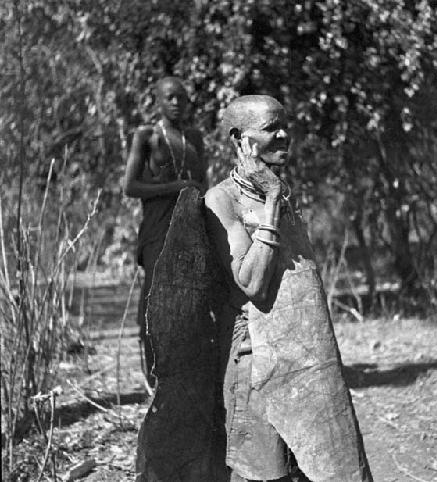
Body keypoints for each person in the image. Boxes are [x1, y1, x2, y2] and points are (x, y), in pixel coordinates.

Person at [205, 95, 372, 482]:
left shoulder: (279, 189)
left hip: (304, 360)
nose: (283, 136)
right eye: (269, 129)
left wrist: (276, 195)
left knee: (315, 469)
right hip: (256, 363)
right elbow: (253, 286)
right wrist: (273, 201)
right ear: (239, 140)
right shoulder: (221, 199)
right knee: (266, 475)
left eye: (284, 126)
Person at [123, 76, 207, 388]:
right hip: (158, 228)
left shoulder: (194, 137)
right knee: (155, 297)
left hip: (190, 226)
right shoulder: (146, 135)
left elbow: (204, 183)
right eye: (169, 97)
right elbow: (130, 187)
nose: (176, 103)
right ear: (157, 101)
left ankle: (184, 375)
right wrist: (176, 187)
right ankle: (155, 378)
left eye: (181, 98)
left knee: (191, 299)